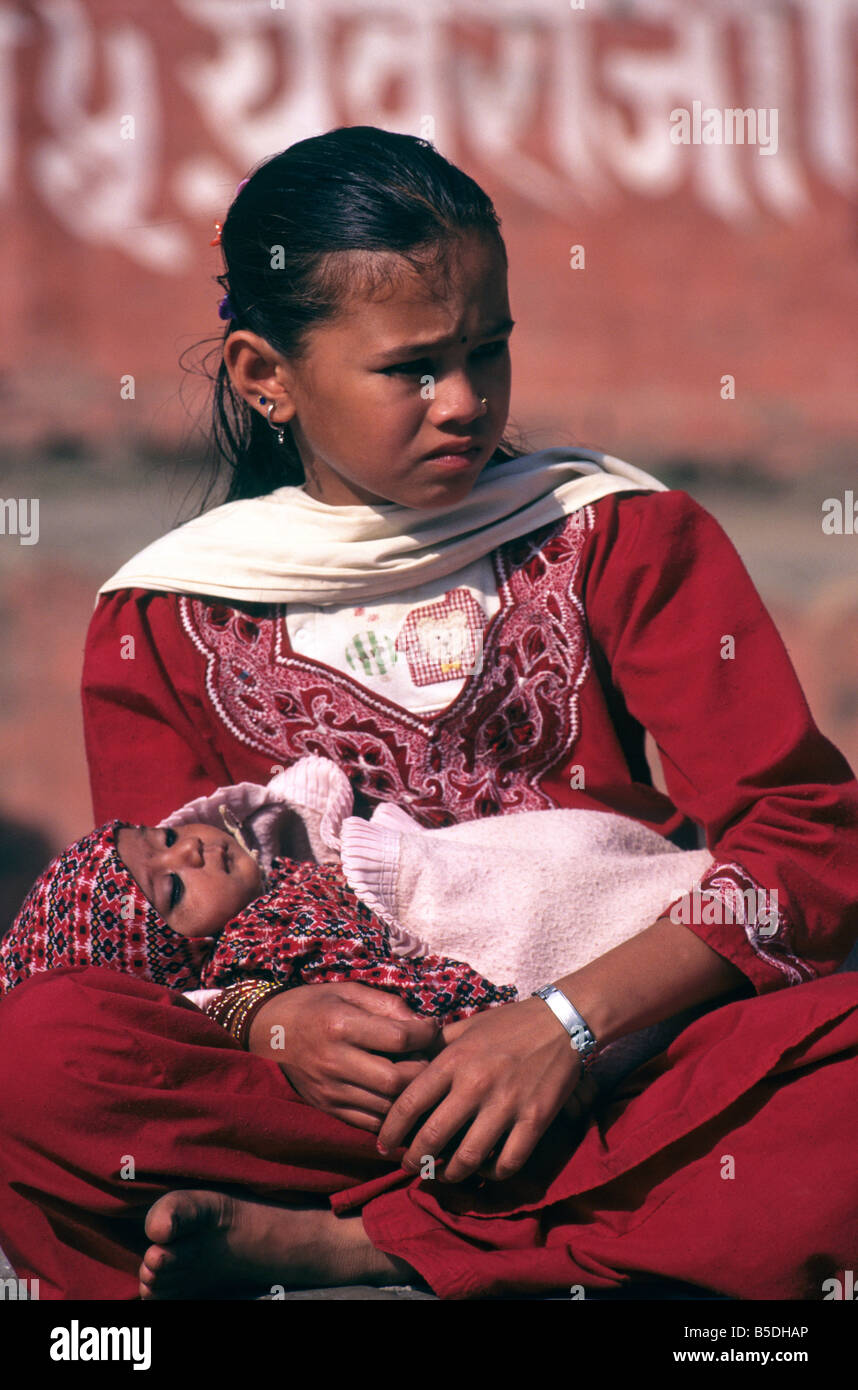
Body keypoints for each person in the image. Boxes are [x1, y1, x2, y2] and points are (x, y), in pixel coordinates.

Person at [2, 125, 857, 1301]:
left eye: (488, 350)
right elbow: (156, 938)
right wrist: (275, 1024)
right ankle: (542, 1245)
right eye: (412, 367)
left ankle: (361, 1251)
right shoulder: (163, 615)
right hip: (348, 1111)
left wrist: (562, 1027)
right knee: (34, 1058)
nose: (464, 401)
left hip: (630, 1075)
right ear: (266, 376)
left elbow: (805, 840)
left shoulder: (615, 532)